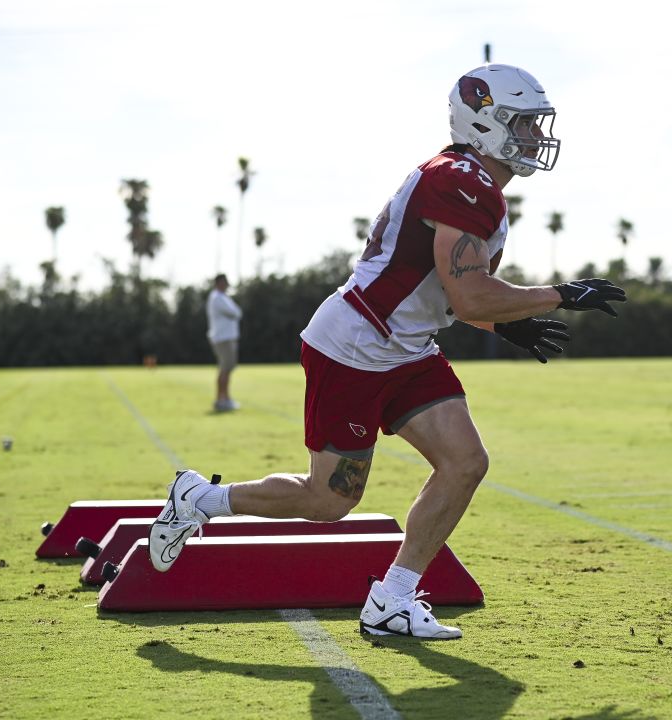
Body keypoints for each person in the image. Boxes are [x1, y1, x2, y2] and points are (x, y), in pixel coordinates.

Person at [149, 64, 626, 639]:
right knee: (329, 500)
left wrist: (505, 326)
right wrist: (561, 294)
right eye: (522, 124)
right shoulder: (464, 182)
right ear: (484, 123)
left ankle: (392, 598)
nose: (533, 136)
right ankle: (201, 498)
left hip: (404, 347)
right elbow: (468, 291)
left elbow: (449, 296)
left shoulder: (470, 182)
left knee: (465, 463)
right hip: (355, 345)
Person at [206, 273, 242, 411]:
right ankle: (222, 399)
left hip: (225, 337)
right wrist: (236, 312)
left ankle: (223, 398)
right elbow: (236, 313)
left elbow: (237, 312)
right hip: (223, 338)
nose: (227, 284)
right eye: (225, 282)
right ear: (219, 283)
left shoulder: (222, 297)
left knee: (225, 369)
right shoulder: (217, 298)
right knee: (225, 369)